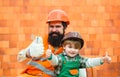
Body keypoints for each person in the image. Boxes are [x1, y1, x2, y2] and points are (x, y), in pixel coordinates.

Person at [17, 9, 87, 77]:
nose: (54, 30)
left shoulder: (69, 47)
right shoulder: (40, 41)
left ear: (64, 28)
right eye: (51, 26)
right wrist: (28, 53)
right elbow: (19, 58)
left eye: (58, 27)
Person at [46, 32, 111, 77]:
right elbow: (55, 61)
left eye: (76, 48)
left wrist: (102, 60)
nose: (73, 50)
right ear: (64, 46)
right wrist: (51, 56)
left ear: (79, 49)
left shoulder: (79, 60)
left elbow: (89, 62)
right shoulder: (60, 58)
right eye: (70, 47)